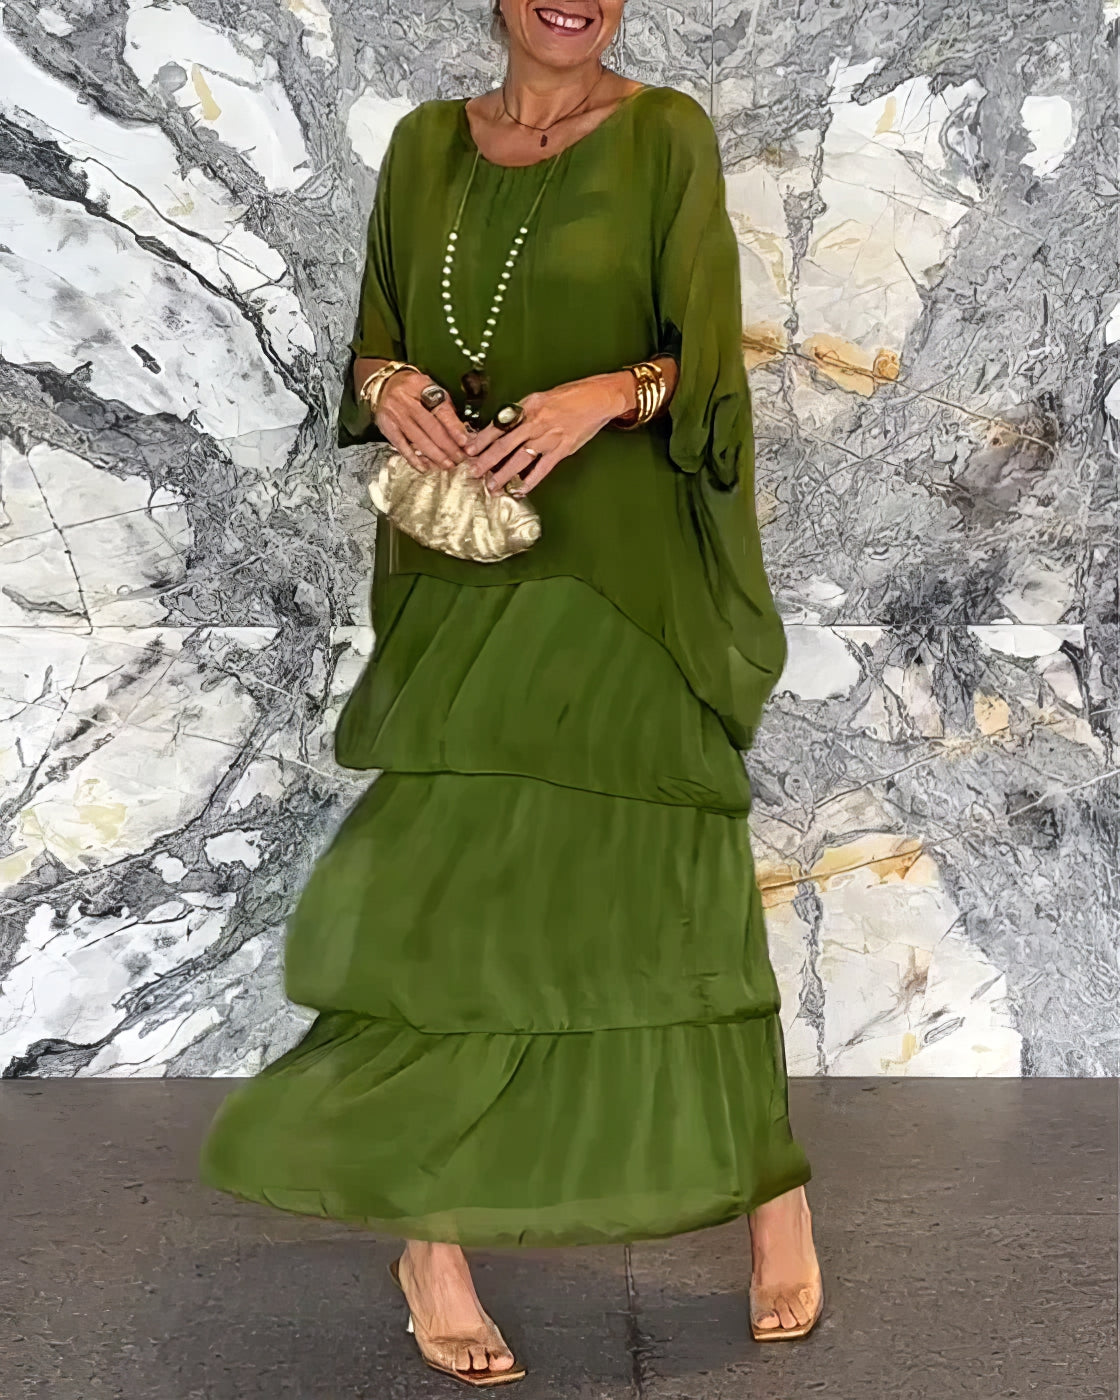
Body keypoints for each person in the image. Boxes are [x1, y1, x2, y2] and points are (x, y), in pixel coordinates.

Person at [199, 0, 824, 1384]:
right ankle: (431, 1247)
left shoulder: (664, 135)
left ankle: (770, 1194)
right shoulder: (427, 146)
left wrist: (607, 394)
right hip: (465, 569)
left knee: (666, 885)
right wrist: (391, 387)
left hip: (626, 573)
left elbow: (709, 363)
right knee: (453, 898)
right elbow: (373, 342)